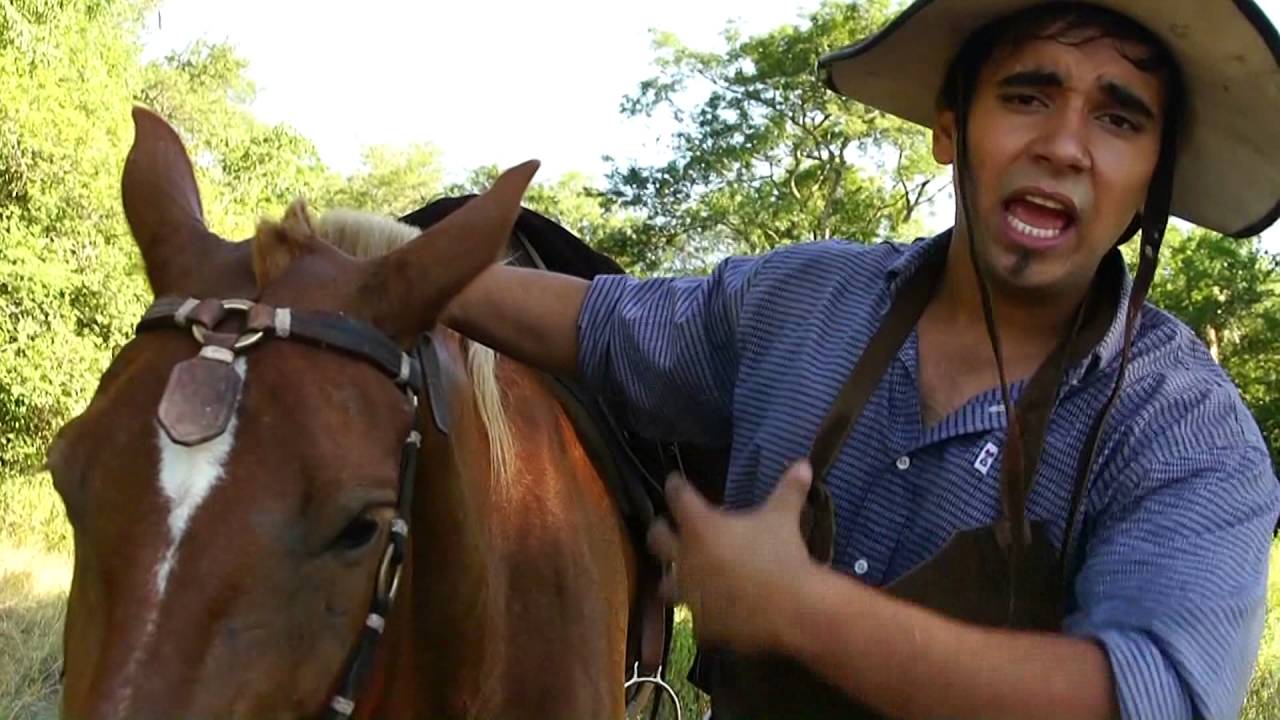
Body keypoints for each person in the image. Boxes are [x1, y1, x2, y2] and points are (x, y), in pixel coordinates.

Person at [443, 0, 1280, 716]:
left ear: (1152, 176)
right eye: (1028, 96)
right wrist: (406, 274)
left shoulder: (1187, 433)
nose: (1064, 146)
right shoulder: (800, 301)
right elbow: (603, 325)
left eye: (1119, 118)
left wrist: (802, 611)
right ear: (950, 128)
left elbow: (1155, 696)